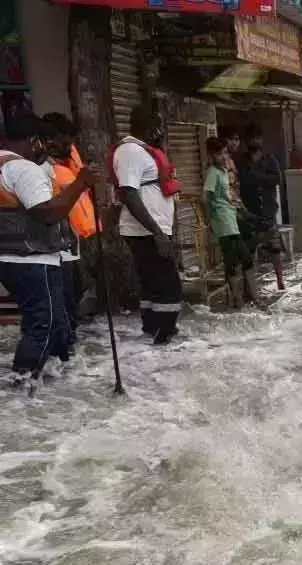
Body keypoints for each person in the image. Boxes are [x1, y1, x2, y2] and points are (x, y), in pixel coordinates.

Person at [0, 113, 96, 388]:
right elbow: (46, 213)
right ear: (34, 141)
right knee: (46, 323)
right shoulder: (24, 169)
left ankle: (49, 382)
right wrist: (80, 183)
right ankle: (22, 384)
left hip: (9, 257)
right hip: (34, 258)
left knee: (44, 321)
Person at [109, 105, 182, 344]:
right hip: (146, 232)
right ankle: (164, 338)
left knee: (154, 286)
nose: (161, 131)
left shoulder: (144, 151)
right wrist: (157, 232)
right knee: (168, 288)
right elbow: (129, 193)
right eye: (159, 126)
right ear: (148, 127)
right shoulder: (130, 151)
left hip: (154, 230)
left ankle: (153, 336)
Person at [41, 112, 98, 359]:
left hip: (72, 243)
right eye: (64, 139)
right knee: (62, 303)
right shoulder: (44, 170)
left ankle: (68, 353)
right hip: (55, 249)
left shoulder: (66, 165)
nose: (68, 145)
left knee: (72, 298)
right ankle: (61, 354)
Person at [205, 136, 258, 309]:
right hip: (223, 222)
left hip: (231, 219)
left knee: (244, 259)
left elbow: (228, 195)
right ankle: (238, 300)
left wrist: (239, 209)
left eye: (225, 153)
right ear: (212, 156)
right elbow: (206, 197)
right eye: (219, 154)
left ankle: (243, 298)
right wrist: (210, 220)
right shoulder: (213, 172)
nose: (223, 157)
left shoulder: (222, 172)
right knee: (234, 261)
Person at [236, 124, 285, 290]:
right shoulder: (242, 161)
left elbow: (277, 179)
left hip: (268, 212)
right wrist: (263, 178)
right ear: (246, 141)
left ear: (261, 140)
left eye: (257, 138)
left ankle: (280, 282)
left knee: (275, 249)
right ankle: (253, 288)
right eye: (251, 138)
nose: (254, 141)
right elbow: (244, 180)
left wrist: (255, 177)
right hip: (250, 213)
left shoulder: (270, 159)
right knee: (250, 253)